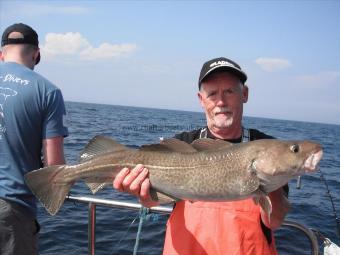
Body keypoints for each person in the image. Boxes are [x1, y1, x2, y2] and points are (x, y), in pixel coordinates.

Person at [113, 57, 290, 255]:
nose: (221, 102)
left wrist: (270, 181)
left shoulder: (270, 148)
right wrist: (142, 194)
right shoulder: (181, 144)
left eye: (229, 92)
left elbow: (274, 221)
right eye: (213, 94)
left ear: (245, 94)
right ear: (201, 100)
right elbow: (152, 201)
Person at [0, 23, 68, 255]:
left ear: (2, 53)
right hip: (11, 211)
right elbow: (54, 167)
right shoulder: (47, 92)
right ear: (36, 54)